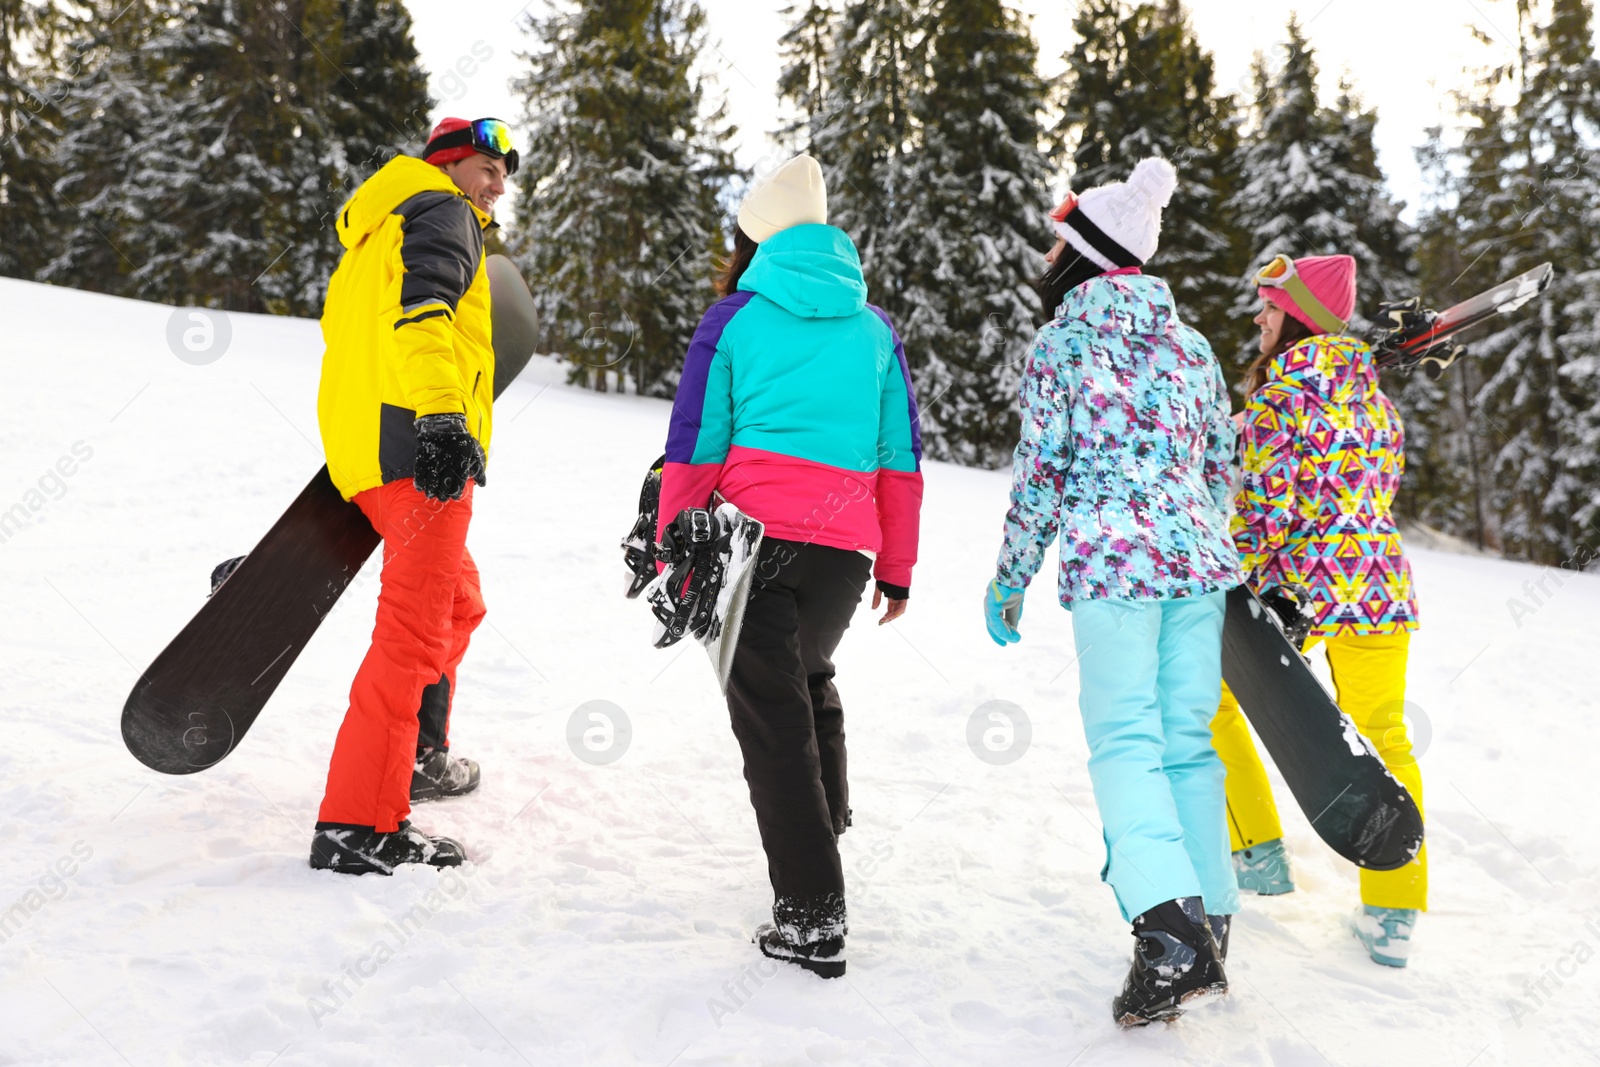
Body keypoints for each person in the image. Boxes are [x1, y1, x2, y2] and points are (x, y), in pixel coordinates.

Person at [984, 157, 1241, 1027]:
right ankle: (1207, 918)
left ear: (1085, 257)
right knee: (1188, 742)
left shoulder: (1064, 343)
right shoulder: (1194, 345)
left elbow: (1042, 472)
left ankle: (1170, 938)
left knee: (1126, 741)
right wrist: (1192, 526)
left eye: (1060, 246)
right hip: (1197, 563)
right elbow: (1222, 469)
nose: (1049, 260)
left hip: (1117, 566)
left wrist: (1011, 574)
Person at [657, 154, 923, 978]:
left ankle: (812, 918)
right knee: (804, 679)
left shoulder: (731, 321)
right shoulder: (876, 329)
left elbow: (696, 444)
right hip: (843, 552)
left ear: (756, 241)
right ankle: (824, 825)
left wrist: (675, 543)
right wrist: (899, 566)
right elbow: (900, 458)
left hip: (752, 542)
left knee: (771, 720)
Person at [307, 117, 519, 874]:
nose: (499, 185)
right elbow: (425, 314)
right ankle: (359, 824)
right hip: (422, 455)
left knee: (459, 604)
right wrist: (439, 418)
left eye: (504, 174)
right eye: (488, 167)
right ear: (449, 163)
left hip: (366, 457)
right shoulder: (444, 211)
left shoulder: (373, 231)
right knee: (410, 641)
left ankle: (419, 753)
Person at [1209, 253, 1425, 967]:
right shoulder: (1375, 400)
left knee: (1213, 703)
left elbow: (1259, 509)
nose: (1258, 317)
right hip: (1376, 587)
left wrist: (1244, 583)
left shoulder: (1275, 400)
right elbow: (1381, 488)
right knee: (1384, 736)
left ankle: (1259, 854)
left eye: (1269, 306)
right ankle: (1394, 911)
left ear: (1298, 313)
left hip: (1297, 591)